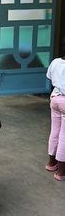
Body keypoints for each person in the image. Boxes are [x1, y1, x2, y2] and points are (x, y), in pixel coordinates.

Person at [45, 39, 65, 181]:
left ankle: (51, 163)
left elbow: (50, 77)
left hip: (55, 99)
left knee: (55, 131)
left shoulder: (56, 62)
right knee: (64, 136)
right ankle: (61, 172)